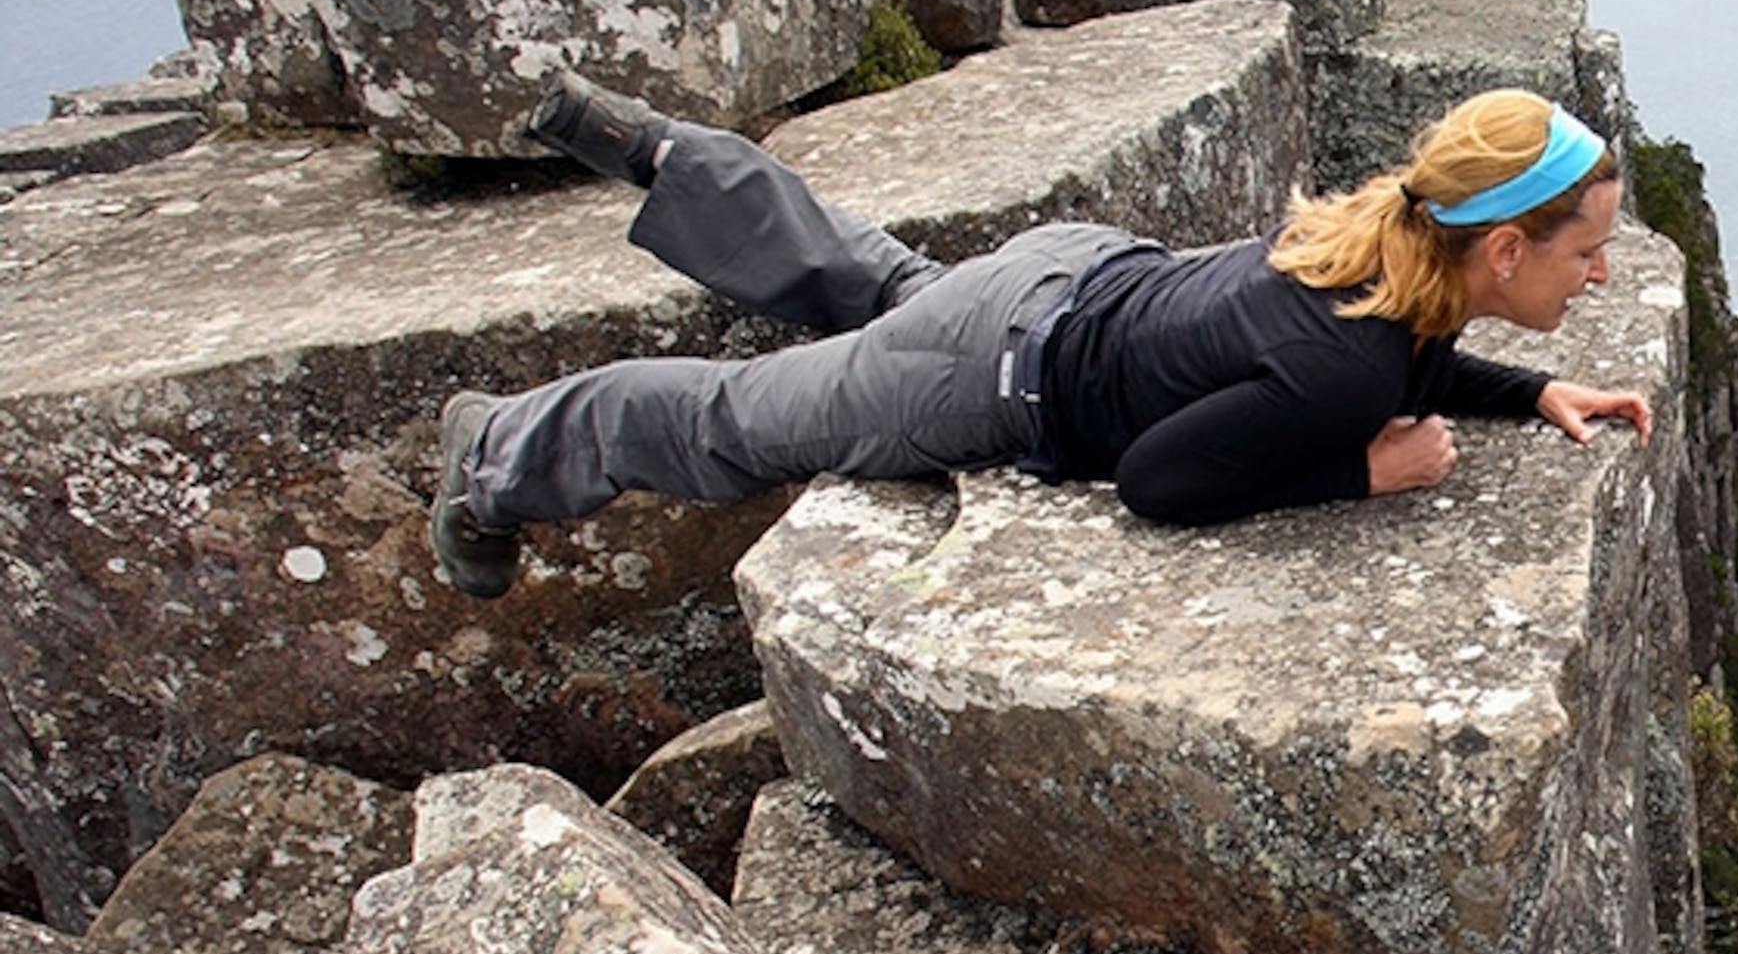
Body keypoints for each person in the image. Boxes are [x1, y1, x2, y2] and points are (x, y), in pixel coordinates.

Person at [428, 73, 1654, 597]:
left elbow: (1411, 351)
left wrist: (1535, 390)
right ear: (1502, 249)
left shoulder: (1386, 243)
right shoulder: (1345, 375)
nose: (1600, 271)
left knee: (880, 283)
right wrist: (1362, 471)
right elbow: (1158, 485)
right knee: (738, 422)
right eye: (1585, 247)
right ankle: (495, 456)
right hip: (997, 371)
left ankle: (664, 156)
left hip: (1068, 268)